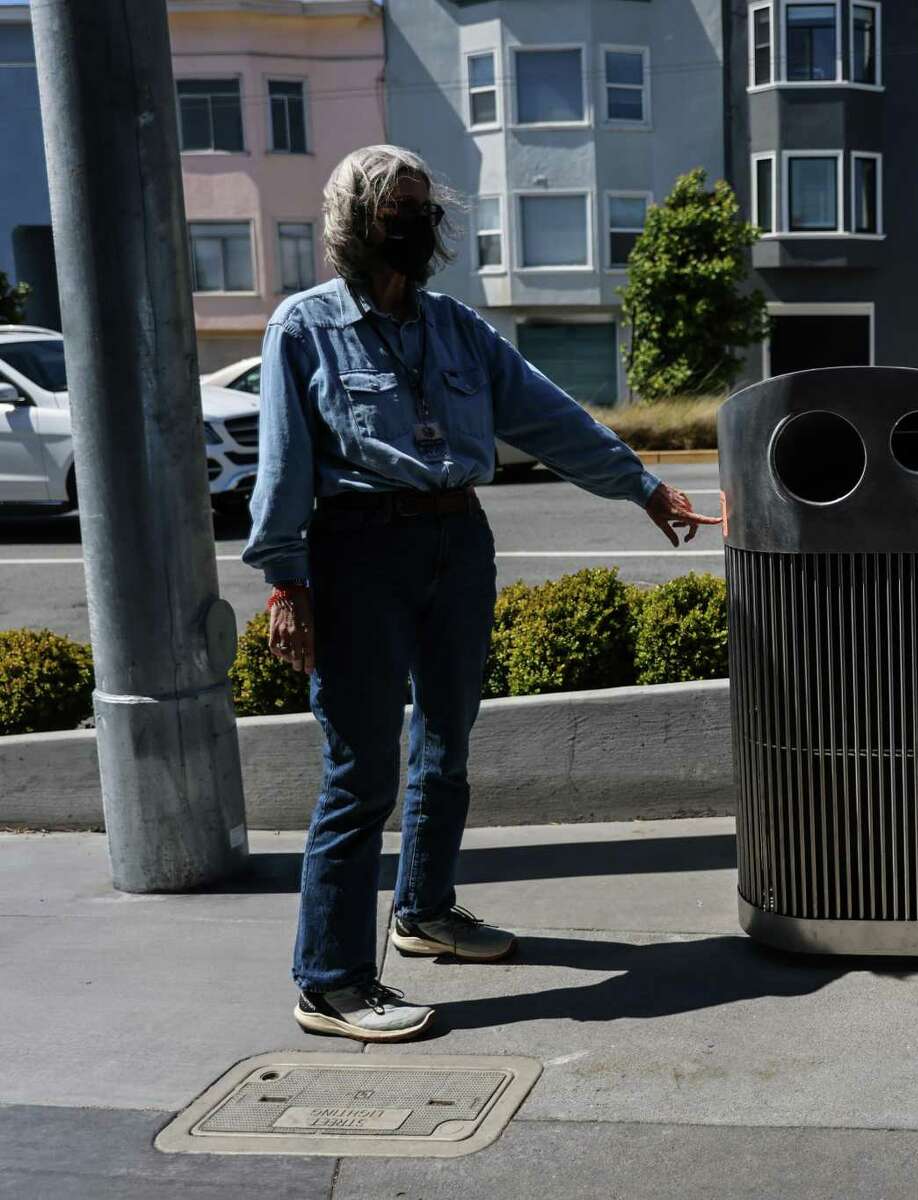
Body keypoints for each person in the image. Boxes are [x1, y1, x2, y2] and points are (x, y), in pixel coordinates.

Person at [243, 145, 719, 1043]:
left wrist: (644, 487)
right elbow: (284, 468)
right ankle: (331, 981)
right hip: (358, 551)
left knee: (448, 743)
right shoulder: (304, 328)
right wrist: (285, 583)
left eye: (423, 209)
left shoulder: (456, 327)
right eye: (397, 210)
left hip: (458, 542)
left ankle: (423, 915)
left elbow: (550, 418)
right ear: (353, 222)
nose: (416, 226)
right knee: (361, 771)